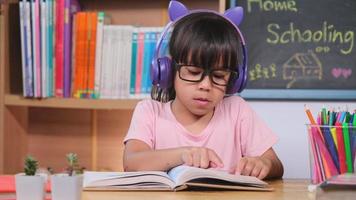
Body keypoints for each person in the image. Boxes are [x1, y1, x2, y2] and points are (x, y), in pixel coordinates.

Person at [123, 1, 283, 180]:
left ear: (234, 80)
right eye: (193, 72)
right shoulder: (149, 112)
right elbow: (131, 163)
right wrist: (183, 154)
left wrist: (264, 164)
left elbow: (276, 165)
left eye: (219, 76)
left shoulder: (237, 111)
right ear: (168, 70)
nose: (206, 85)